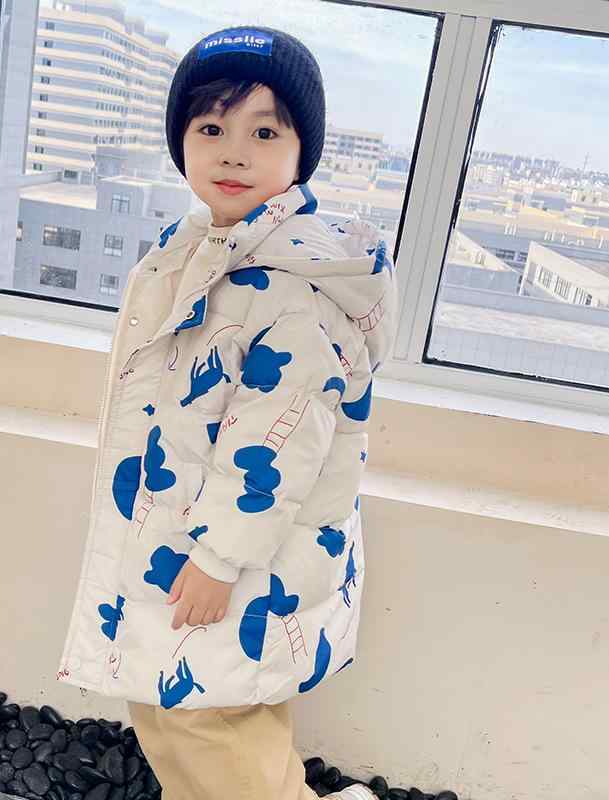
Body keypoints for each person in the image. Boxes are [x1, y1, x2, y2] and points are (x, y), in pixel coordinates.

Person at [58, 25, 399, 800]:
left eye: (264, 133)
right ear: (181, 141)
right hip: (180, 539)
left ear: (302, 153)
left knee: (209, 727)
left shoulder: (294, 289)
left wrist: (217, 559)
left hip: (236, 561)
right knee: (183, 714)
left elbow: (279, 446)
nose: (234, 153)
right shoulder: (200, 249)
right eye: (211, 128)